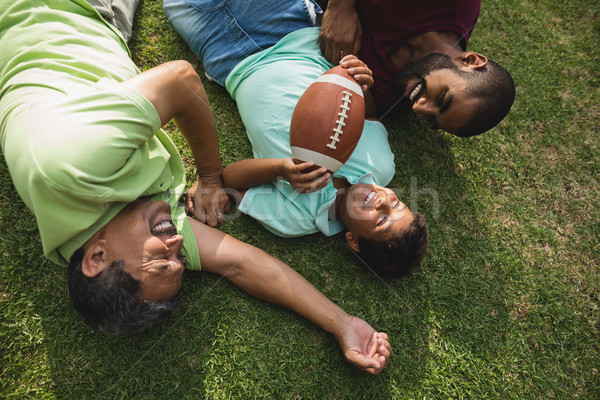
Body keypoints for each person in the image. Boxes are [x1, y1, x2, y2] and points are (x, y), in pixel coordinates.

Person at [0, 0, 391, 374]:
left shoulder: (65, 165)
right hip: (104, 32)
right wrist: (341, 323)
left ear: (96, 258)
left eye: (162, 260)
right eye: (179, 261)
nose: (176, 245)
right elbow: (240, 263)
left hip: (59, 12)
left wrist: (209, 177)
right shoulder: (112, 237)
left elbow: (180, 79)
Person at [163, 0, 429, 278]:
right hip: (290, 28)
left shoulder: (294, 220)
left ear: (354, 241)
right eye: (397, 203)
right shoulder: (380, 165)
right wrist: (361, 82)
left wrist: (281, 169)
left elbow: (228, 182)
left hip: (229, 58)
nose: (382, 201)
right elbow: (371, 115)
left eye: (382, 219)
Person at [316, 0, 516, 137]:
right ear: (470, 61)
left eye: (430, 119)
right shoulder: (452, 4)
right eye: (442, 99)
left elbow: (360, 107)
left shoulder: (388, 96)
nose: (418, 107)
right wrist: (340, 8)